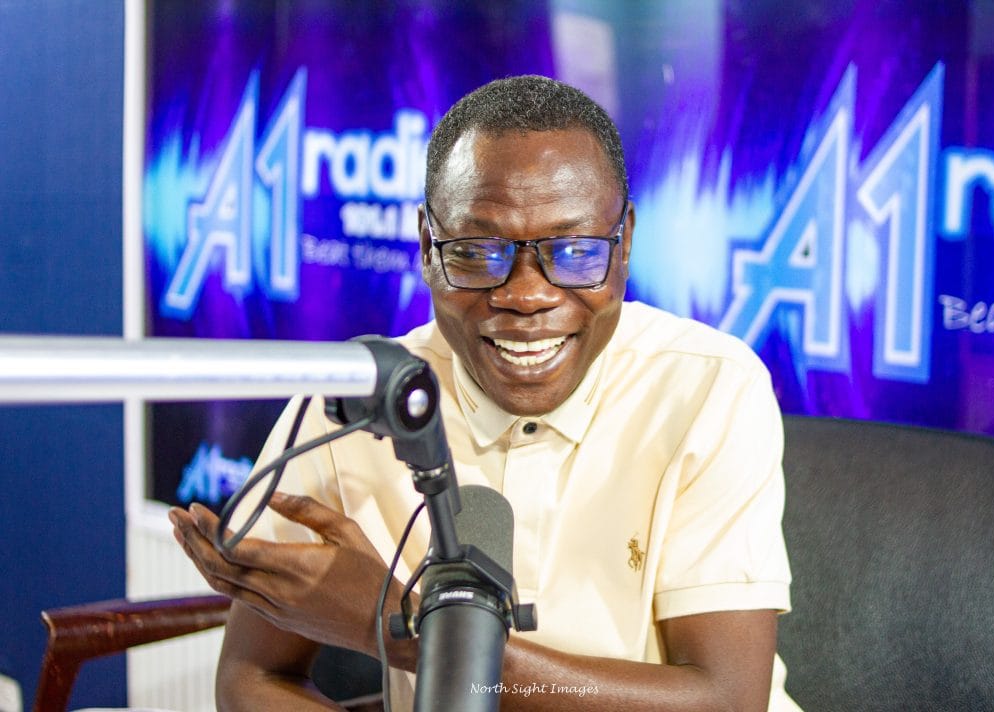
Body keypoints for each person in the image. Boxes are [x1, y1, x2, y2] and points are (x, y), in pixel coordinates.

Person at [170, 75, 798, 711]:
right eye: (477, 252)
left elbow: (726, 699)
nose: (526, 295)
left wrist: (406, 630)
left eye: (575, 251)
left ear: (625, 242)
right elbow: (251, 678)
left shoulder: (708, 386)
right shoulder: (356, 403)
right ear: (427, 246)